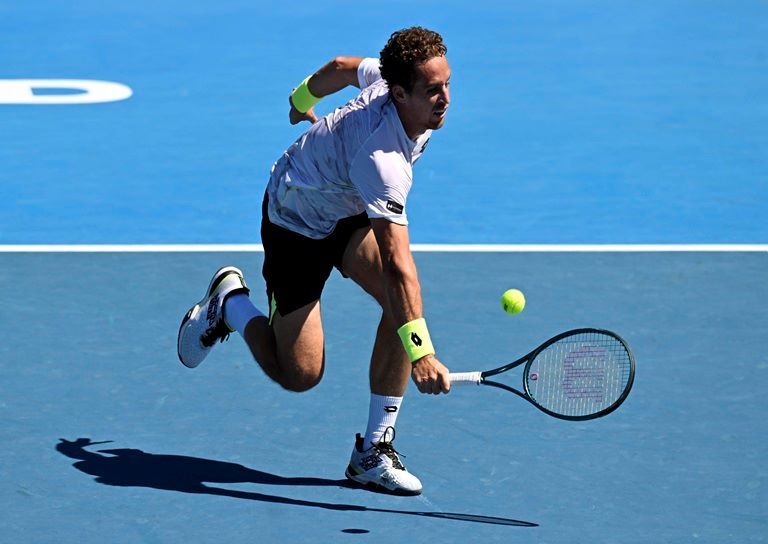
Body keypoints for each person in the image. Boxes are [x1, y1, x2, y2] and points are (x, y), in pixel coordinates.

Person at [178, 26, 452, 496]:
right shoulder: (384, 162)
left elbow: (343, 68)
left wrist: (300, 98)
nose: (445, 97)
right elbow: (398, 262)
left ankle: (372, 452)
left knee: (401, 307)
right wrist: (421, 353)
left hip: (344, 208)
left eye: (447, 84)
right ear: (400, 92)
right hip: (295, 223)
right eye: (433, 90)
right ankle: (231, 304)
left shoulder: (391, 86)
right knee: (300, 375)